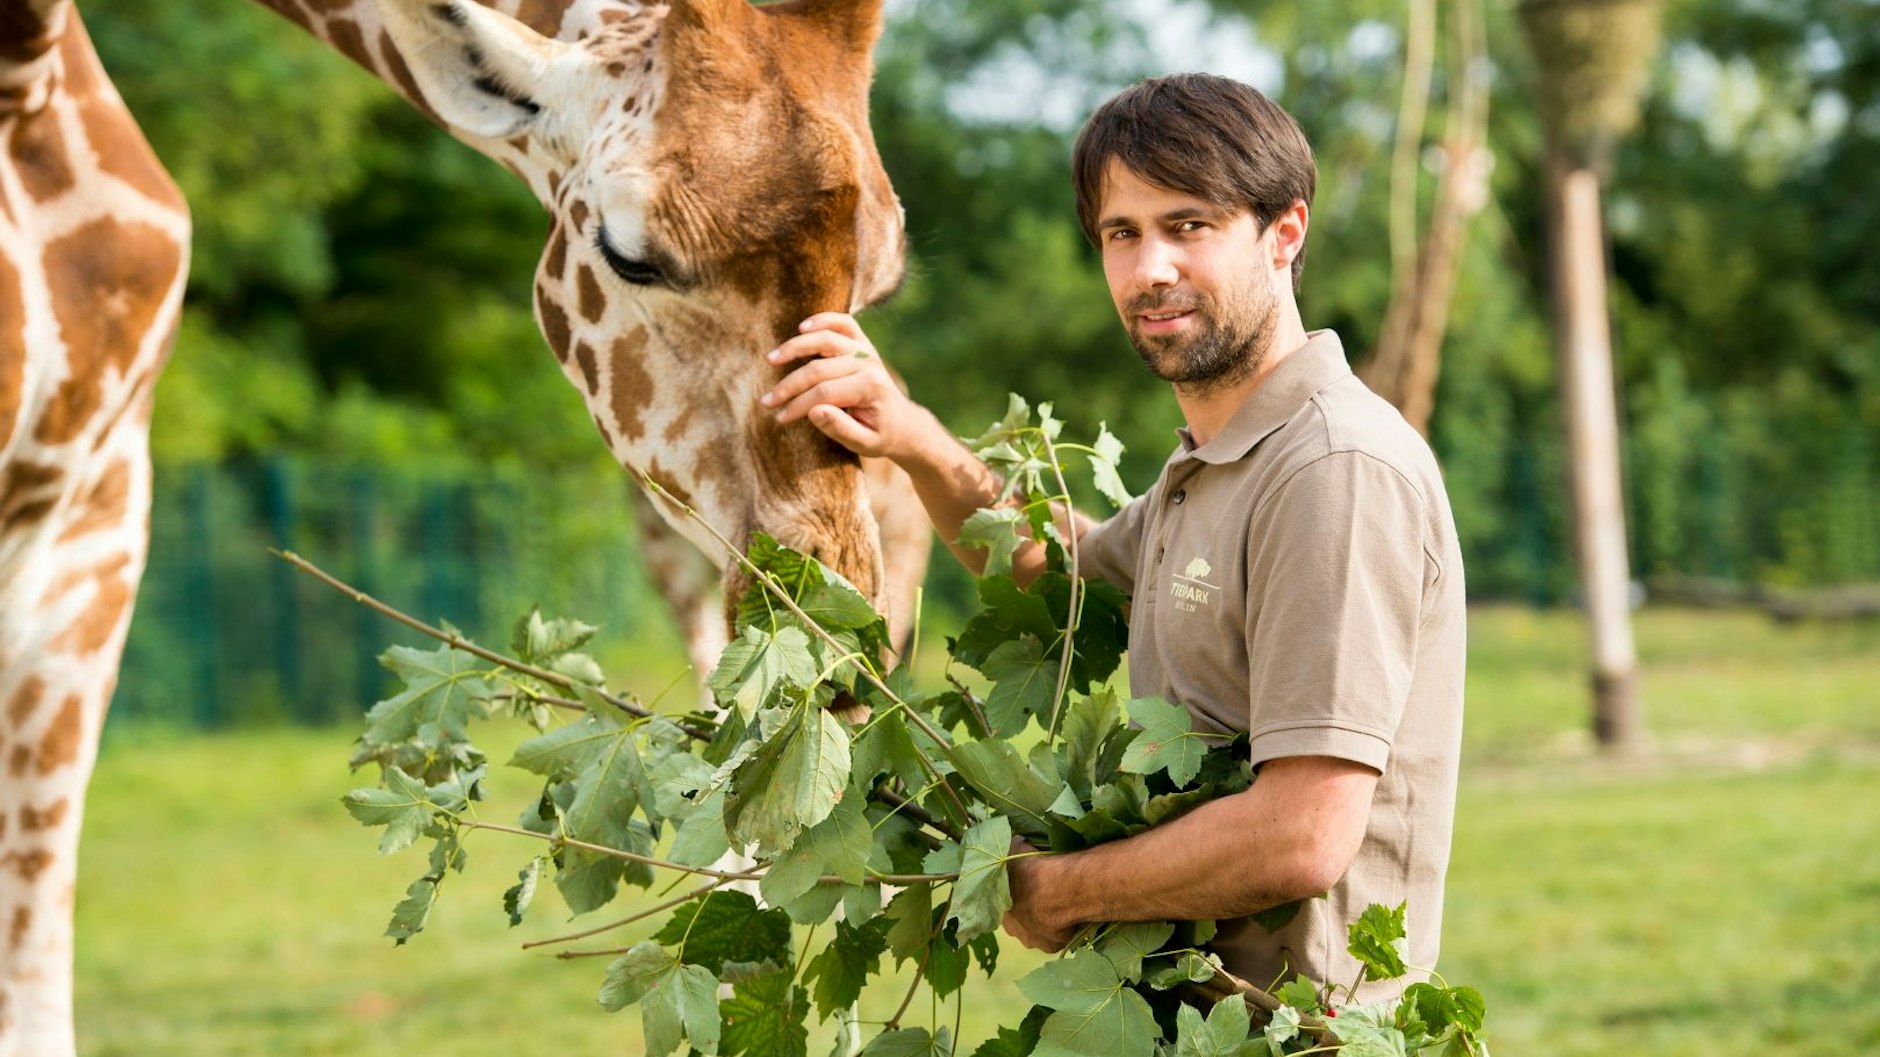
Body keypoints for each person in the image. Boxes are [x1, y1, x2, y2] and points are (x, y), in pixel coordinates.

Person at [757, 73, 1464, 1001]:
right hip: (1171, 1014)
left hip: (1294, 1031)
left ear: (1284, 234)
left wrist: (1064, 890)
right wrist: (913, 435)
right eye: (1121, 235)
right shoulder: (1219, 461)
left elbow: (1305, 832)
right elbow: (1063, 580)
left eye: (1189, 225)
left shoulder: (1331, 468)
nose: (1150, 269)